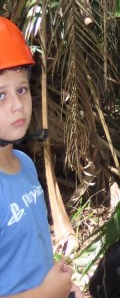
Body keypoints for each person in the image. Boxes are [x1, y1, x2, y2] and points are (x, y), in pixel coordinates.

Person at [0, 16, 84, 297]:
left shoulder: (24, 165)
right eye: (1, 95)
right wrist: (48, 292)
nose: (17, 105)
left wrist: (63, 287)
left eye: (21, 90)